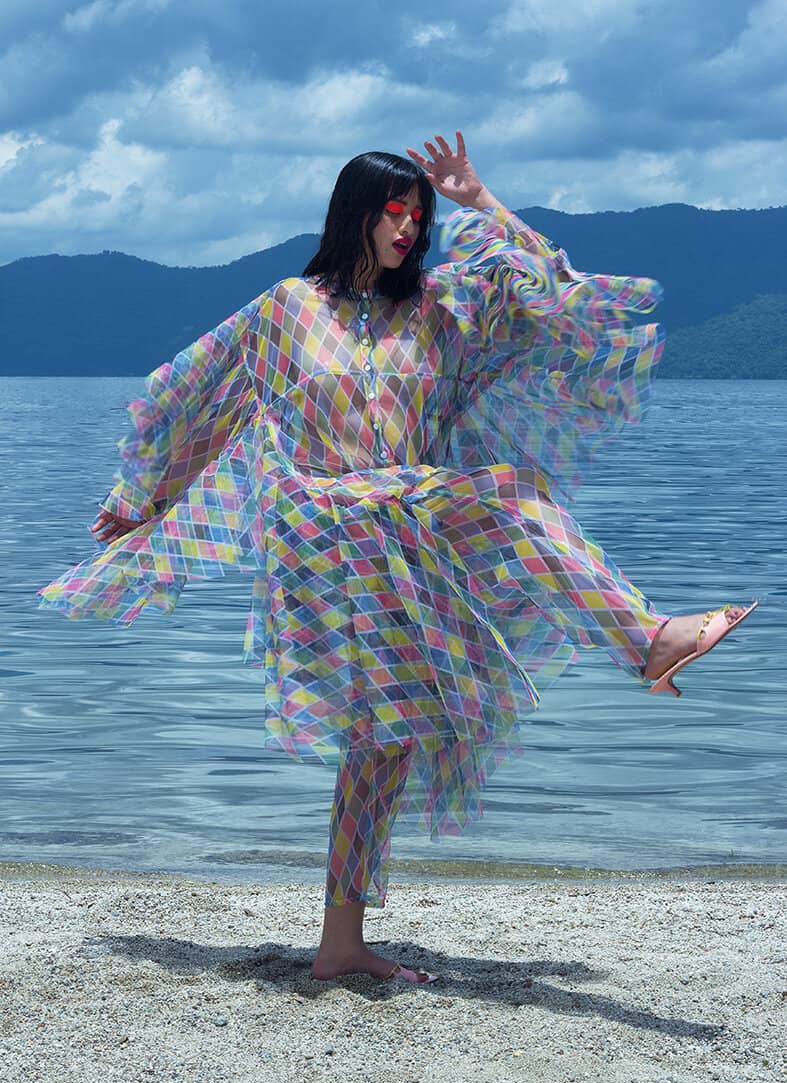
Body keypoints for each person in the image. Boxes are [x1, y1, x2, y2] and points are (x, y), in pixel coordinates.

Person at [38, 131, 757, 985]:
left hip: (405, 527)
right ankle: (646, 639)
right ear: (355, 214)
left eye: (418, 214)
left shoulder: (441, 312)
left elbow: (548, 292)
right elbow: (196, 401)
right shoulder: (284, 310)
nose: (409, 227)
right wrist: (142, 501)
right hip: (322, 524)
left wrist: (479, 201)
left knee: (386, 736)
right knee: (507, 497)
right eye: (394, 211)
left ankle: (339, 944)